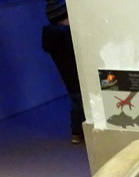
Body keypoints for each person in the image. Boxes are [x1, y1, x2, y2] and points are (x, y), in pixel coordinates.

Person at [41, 0, 85, 143]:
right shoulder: (67, 35)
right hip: (78, 76)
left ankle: (77, 133)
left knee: (76, 102)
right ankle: (77, 131)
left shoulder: (52, 36)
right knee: (81, 103)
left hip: (68, 78)